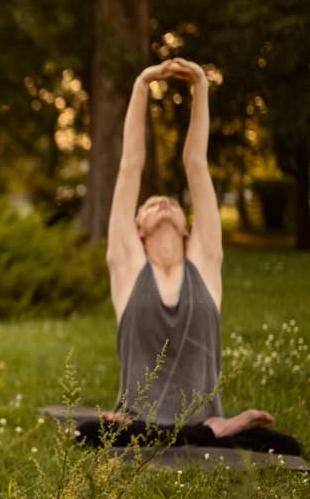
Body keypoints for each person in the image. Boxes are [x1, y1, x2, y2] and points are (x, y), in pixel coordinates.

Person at [79, 57, 299, 454]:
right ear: (138, 231)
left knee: (288, 444)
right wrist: (141, 85)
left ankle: (206, 429)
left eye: (169, 202)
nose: (161, 201)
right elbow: (130, 166)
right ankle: (218, 432)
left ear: (186, 228)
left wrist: (201, 85)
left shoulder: (204, 263)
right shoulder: (128, 267)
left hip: (178, 420)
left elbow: (194, 163)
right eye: (150, 204)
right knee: (87, 433)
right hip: (138, 419)